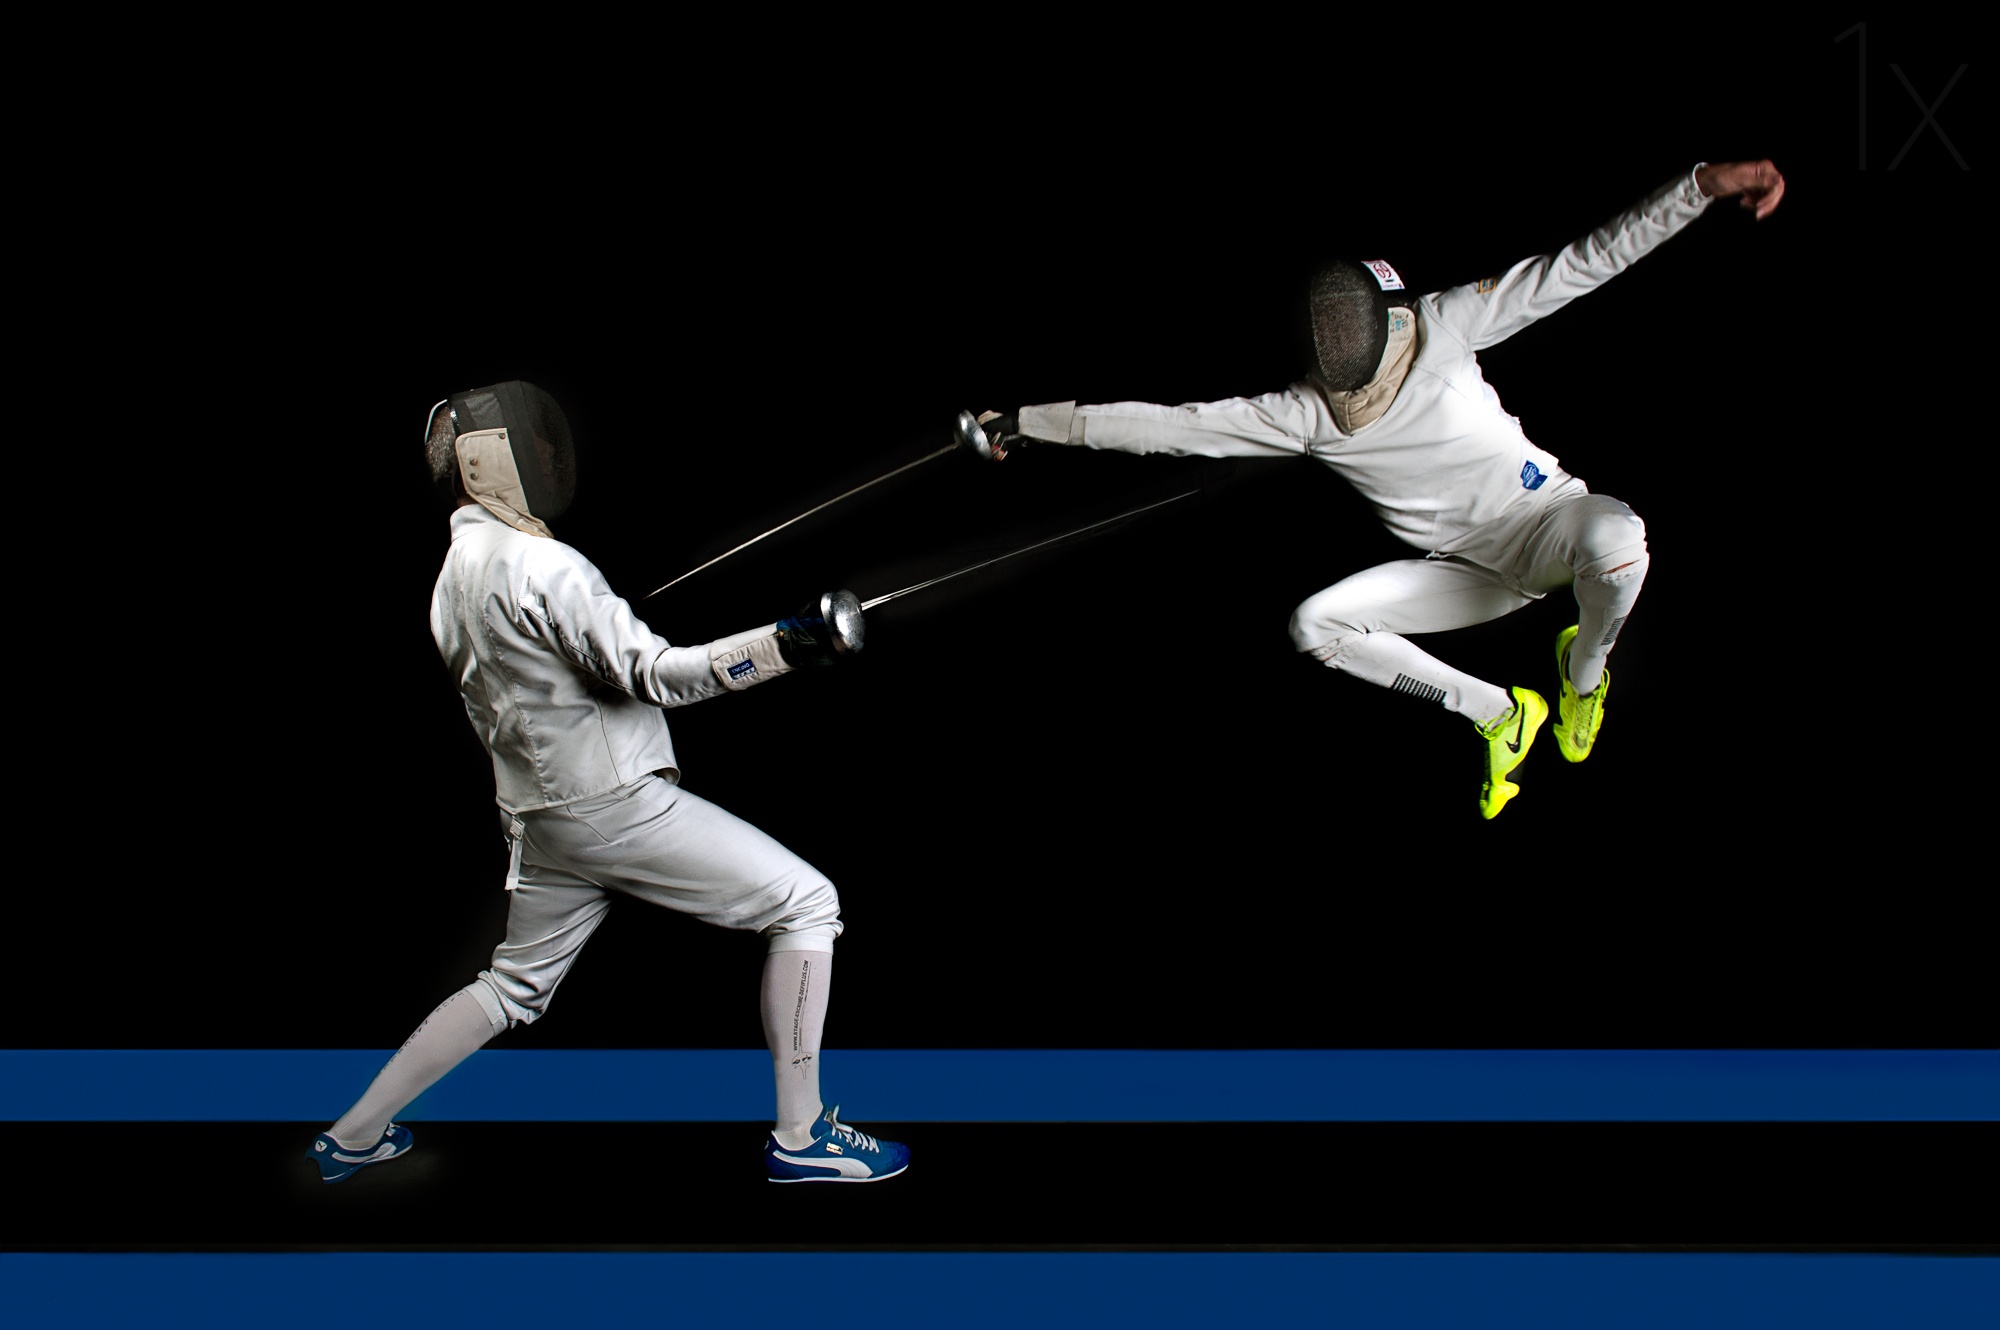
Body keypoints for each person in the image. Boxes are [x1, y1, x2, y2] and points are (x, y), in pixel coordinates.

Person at [972, 160, 1784, 819]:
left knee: (1620, 544)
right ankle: (1502, 714)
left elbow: (1581, 262)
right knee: (1315, 627)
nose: (1348, 382)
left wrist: (1697, 187)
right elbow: (1167, 427)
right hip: (1467, 570)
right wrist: (1030, 423)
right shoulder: (1304, 414)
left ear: (1389, 324)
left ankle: (1581, 678)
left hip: (1548, 518)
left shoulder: (1448, 323)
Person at [306, 380, 909, 1185]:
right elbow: (660, 675)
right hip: (612, 807)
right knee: (807, 903)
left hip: (540, 822)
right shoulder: (542, 563)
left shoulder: (450, 582)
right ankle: (801, 1137)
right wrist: (787, 645)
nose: (549, 457)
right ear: (490, 461)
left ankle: (352, 1135)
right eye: (531, 446)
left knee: (511, 987)